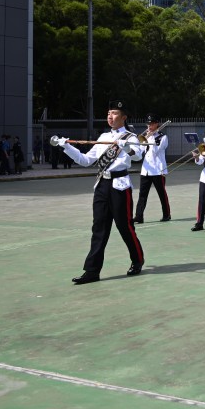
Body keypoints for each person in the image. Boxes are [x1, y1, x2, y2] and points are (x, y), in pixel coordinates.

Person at [52, 100, 145, 284]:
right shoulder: (103, 136)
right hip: (102, 185)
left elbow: (138, 155)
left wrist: (125, 146)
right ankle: (92, 271)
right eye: (109, 113)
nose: (110, 116)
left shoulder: (130, 137)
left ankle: (137, 260)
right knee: (99, 229)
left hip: (120, 186)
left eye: (115, 113)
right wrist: (66, 146)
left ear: (123, 117)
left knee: (125, 227)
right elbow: (86, 160)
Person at [134, 115, 171, 223]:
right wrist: (141, 141)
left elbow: (156, 151)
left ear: (157, 124)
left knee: (161, 193)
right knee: (142, 194)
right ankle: (139, 216)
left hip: (158, 170)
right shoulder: (145, 136)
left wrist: (151, 137)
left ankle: (166, 214)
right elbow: (140, 153)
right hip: (146, 170)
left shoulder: (163, 137)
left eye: (151, 124)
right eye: (148, 124)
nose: (149, 126)